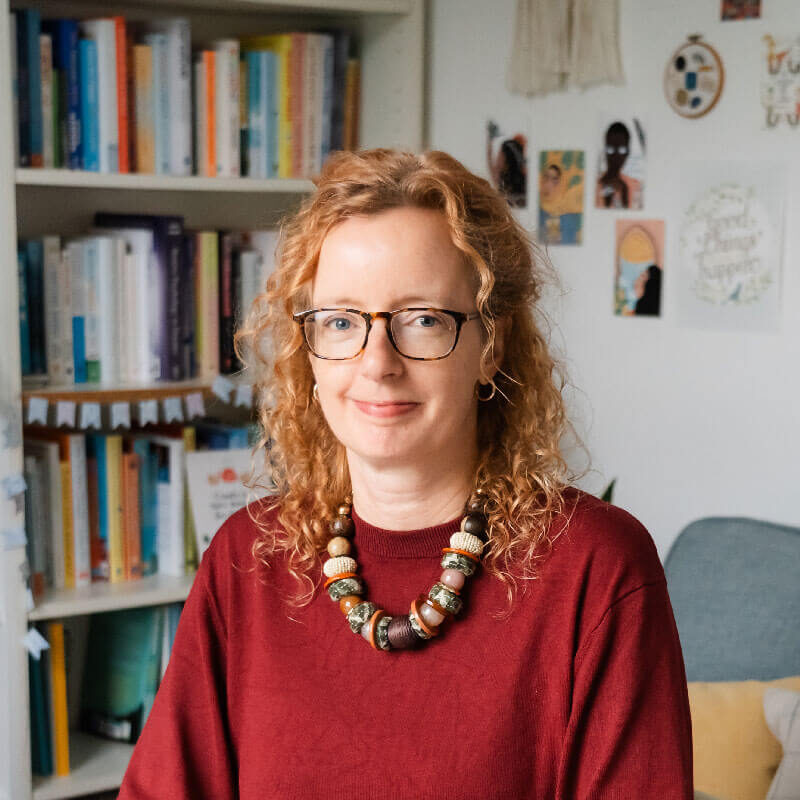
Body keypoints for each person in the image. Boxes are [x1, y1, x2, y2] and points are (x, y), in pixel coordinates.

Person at [117, 148, 693, 799]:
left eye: (421, 319)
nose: (376, 362)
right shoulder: (246, 559)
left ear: (490, 346)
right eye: (340, 321)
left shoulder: (596, 568)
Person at [596, 121, 643, 209]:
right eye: (610, 150)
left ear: (628, 153)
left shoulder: (637, 186)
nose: (616, 156)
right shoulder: (595, 186)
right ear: (605, 152)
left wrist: (625, 194)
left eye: (622, 150)